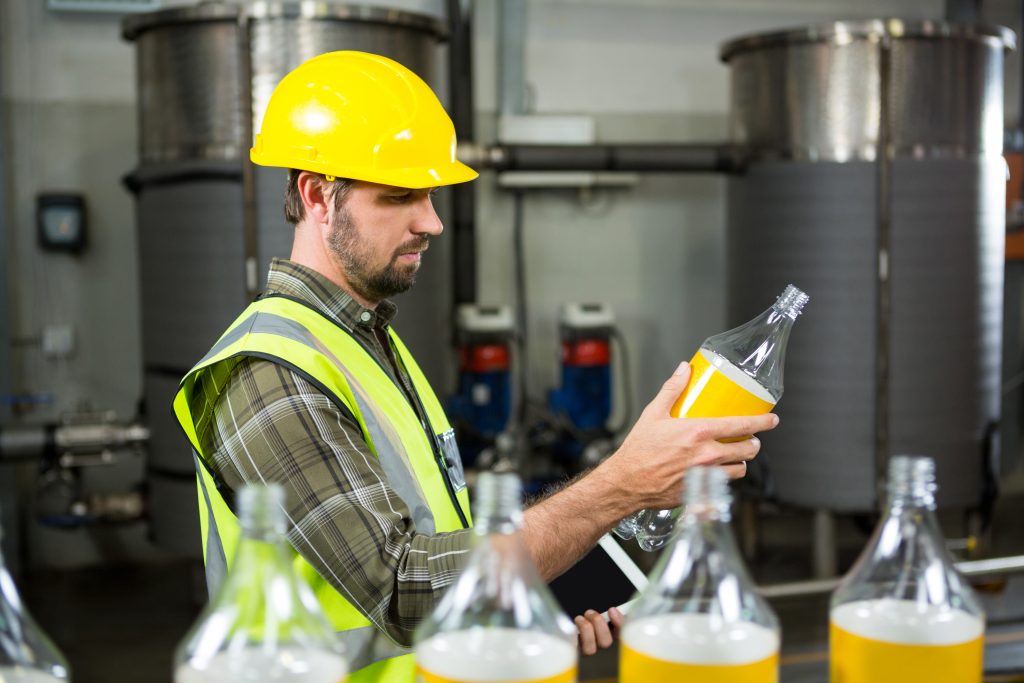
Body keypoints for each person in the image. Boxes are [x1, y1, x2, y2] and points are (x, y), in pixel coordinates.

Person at [173, 51, 777, 683]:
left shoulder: (362, 336)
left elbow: (440, 552)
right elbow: (406, 592)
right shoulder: (269, 373)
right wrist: (621, 485)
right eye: (400, 196)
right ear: (317, 197)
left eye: (430, 194)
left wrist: (524, 605)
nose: (430, 221)